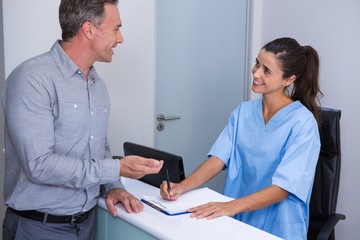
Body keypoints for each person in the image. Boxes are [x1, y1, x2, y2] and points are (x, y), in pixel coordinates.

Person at [1, 0, 163, 239]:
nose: (121, 39)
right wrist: (117, 168)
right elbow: (39, 165)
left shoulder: (97, 85)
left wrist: (113, 186)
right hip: (39, 228)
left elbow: (100, 147)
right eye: (116, 29)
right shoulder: (31, 79)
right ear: (88, 29)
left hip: (87, 224)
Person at [160, 37, 322, 240]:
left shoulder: (303, 123)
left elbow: (284, 188)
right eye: (257, 63)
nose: (256, 72)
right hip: (235, 219)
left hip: (276, 226)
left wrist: (231, 206)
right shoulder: (243, 112)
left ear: (289, 80)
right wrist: (181, 187)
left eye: (266, 70)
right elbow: (217, 160)